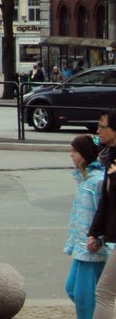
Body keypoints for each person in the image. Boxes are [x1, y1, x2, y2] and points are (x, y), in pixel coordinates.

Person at [64, 134, 107, 319]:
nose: (71, 155)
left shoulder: (97, 181)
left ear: (85, 154)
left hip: (93, 249)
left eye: (74, 151)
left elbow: (105, 214)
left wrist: (99, 238)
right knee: (72, 288)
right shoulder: (83, 179)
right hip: (82, 247)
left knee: (83, 297)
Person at [88, 109, 116, 317]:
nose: (98, 131)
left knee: (105, 292)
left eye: (102, 126)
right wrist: (95, 232)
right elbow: (105, 202)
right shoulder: (109, 158)